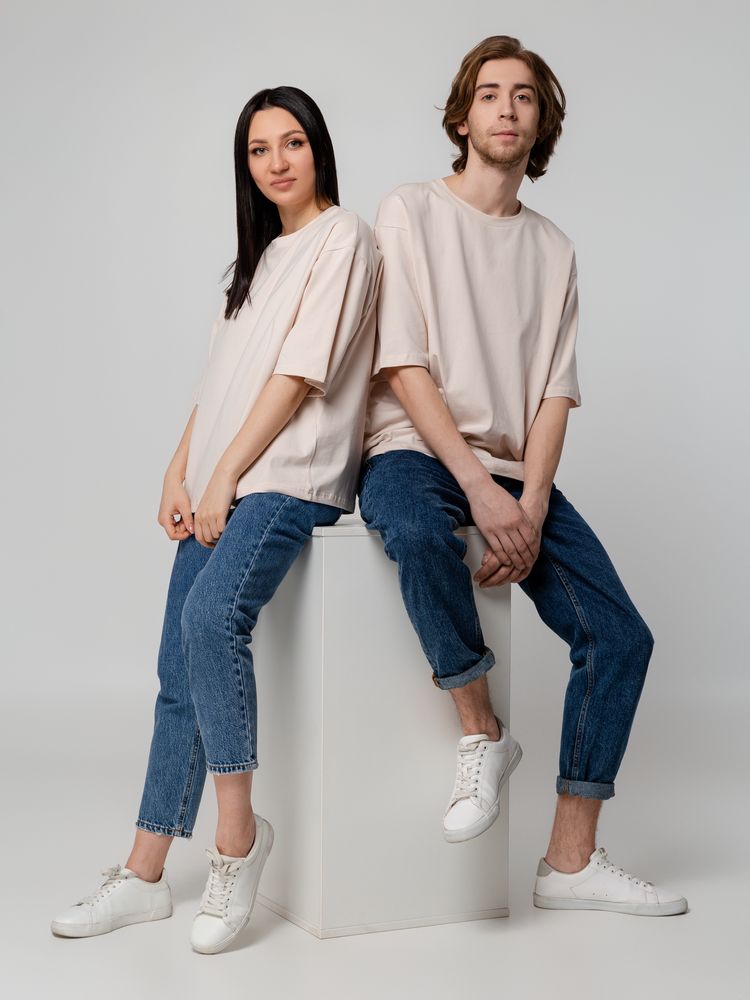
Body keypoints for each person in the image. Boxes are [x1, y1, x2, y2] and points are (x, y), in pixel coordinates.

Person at [358, 35, 687, 916]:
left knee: (620, 637)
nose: (507, 108)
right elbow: (402, 366)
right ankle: (483, 732)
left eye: (525, 97)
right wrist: (477, 488)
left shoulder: (554, 249)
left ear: (542, 124)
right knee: (417, 530)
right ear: (462, 117)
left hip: (512, 471)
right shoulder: (409, 210)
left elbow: (552, 393)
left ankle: (570, 861)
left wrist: (531, 505)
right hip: (413, 449)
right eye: (490, 93)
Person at [51, 86, 382, 953]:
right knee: (177, 668)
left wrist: (227, 472)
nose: (277, 162)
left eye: (292, 142)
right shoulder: (257, 263)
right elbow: (220, 385)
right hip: (225, 479)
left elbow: (299, 376)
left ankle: (237, 840)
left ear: (319, 149)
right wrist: (183, 466)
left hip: (291, 477)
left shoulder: (344, 238)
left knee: (210, 620)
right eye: (258, 150)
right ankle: (145, 873)